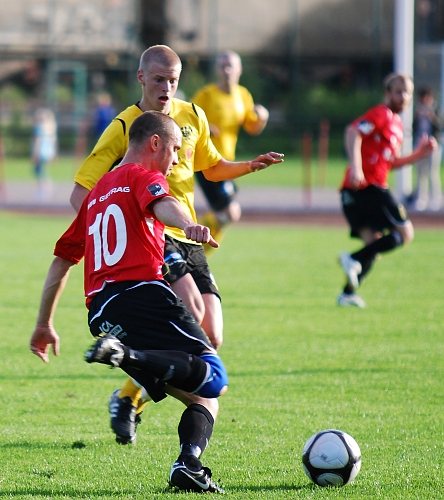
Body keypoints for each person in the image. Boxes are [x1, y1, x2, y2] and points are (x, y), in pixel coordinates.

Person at [69, 44, 283, 445]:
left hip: (189, 233)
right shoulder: (126, 125)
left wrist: (249, 166)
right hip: (155, 236)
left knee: (212, 335)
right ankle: (142, 395)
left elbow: (212, 166)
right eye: (159, 80)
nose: (166, 88)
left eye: (173, 80)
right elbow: (84, 190)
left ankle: (129, 395)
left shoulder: (192, 115)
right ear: (141, 79)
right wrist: (106, 233)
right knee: (192, 314)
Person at [30, 111, 227, 493]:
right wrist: (188, 225)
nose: (174, 161)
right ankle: (126, 357)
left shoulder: (98, 192)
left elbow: (62, 262)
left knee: (201, 397)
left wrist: (43, 323)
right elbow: (162, 204)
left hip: (103, 312)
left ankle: (188, 465)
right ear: (154, 143)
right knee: (215, 377)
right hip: (141, 295)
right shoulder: (144, 177)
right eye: (173, 150)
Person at [337, 73, 437, 308]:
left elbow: (390, 162)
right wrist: (357, 167)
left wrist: (418, 155)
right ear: (387, 93)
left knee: (375, 244)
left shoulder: (398, 125)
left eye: (407, 92)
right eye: (398, 91)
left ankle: (348, 293)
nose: (403, 96)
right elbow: (353, 132)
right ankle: (353, 259)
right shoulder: (382, 114)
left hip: (355, 191)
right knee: (405, 233)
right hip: (366, 186)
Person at [192, 50, 269, 253]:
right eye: (223, 66)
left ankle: (198, 255)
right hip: (206, 162)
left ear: (239, 70)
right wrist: (205, 126)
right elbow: (188, 120)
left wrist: (262, 117)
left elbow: (253, 128)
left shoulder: (243, 96)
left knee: (222, 216)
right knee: (231, 212)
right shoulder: (207, 95)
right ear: (217, 70)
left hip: (226, 164)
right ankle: (191, 234)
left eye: (230, 66)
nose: (227, 70)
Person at [411, 86, 443, 211]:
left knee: (432, 172)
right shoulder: (417, 110)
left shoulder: (437, 109)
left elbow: (441, 126)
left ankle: (435, 199)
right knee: (420, 173)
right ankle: (421, 199)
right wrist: (417, 116)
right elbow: (413, 127)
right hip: (420, 144)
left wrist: (432, 117)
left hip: (434, 144)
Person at [31, 108, 57, 201]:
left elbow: (38, 141)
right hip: (47, 152)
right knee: (43, 171)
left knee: (39, 171)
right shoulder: (48, 128)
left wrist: (35, 153)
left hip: (41, 152)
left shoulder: (39, 128)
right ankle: (45, 188)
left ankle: (44, 188)